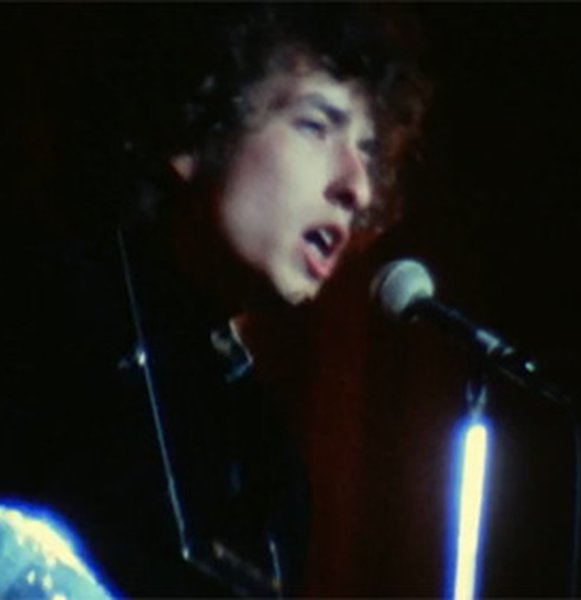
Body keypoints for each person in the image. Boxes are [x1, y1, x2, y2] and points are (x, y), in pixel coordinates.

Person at [2, 3, 428, 597]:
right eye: (315, 126)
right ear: (197, 128)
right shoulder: (38, 306)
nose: (355, 187)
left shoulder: (269, 462)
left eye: (368, 152)